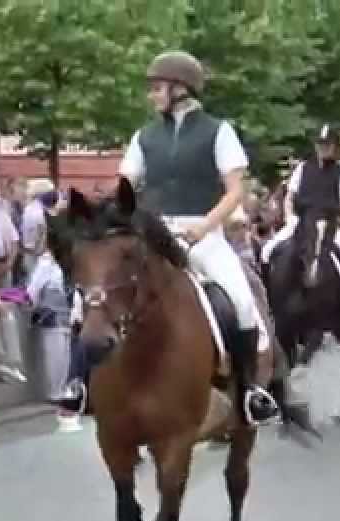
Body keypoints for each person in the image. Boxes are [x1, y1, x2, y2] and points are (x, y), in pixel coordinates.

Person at [118, 50, 278, 426]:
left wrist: (205, 227)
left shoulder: (217, 131)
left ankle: (251, 390)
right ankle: (83, 382)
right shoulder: (145, 136)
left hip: (202, 233)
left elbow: (236, 190)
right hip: (155, 232)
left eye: (157, 88)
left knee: (240, 300)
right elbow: (126, 183)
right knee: (99, 295)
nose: (151, 95)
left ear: (180, 89)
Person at [284, 124, 340, 325]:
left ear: (335, 147)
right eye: (321, 144)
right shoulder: (303, 168)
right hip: (302, 220)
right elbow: (290, 196)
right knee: (268, 251)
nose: (323, 148)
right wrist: (289, 216)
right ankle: (271, 300)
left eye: (328, 145)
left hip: (330, 223)